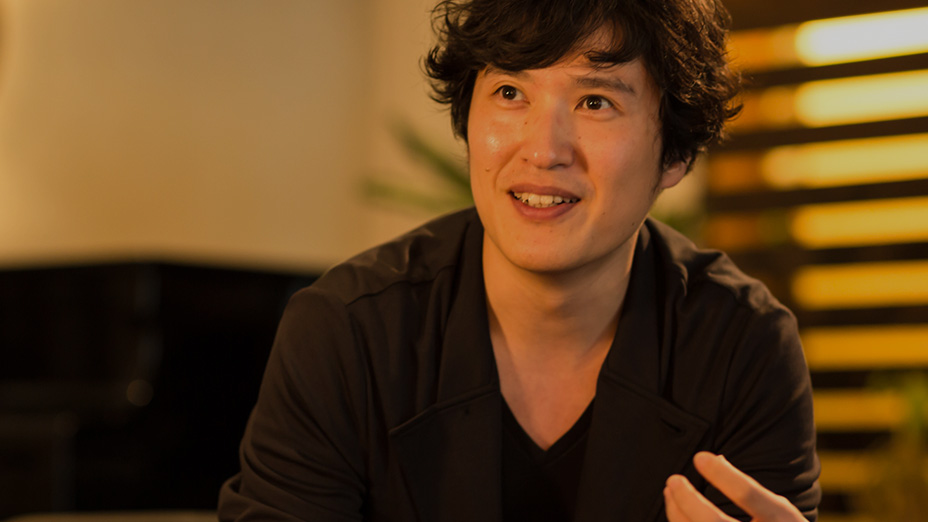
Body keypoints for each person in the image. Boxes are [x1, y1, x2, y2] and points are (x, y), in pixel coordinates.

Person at [218, 0, 821, 520]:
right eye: (510, 93)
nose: (543, 149)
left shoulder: (741, 348)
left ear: (675, 155)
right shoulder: (346, 332)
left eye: (595, 102)